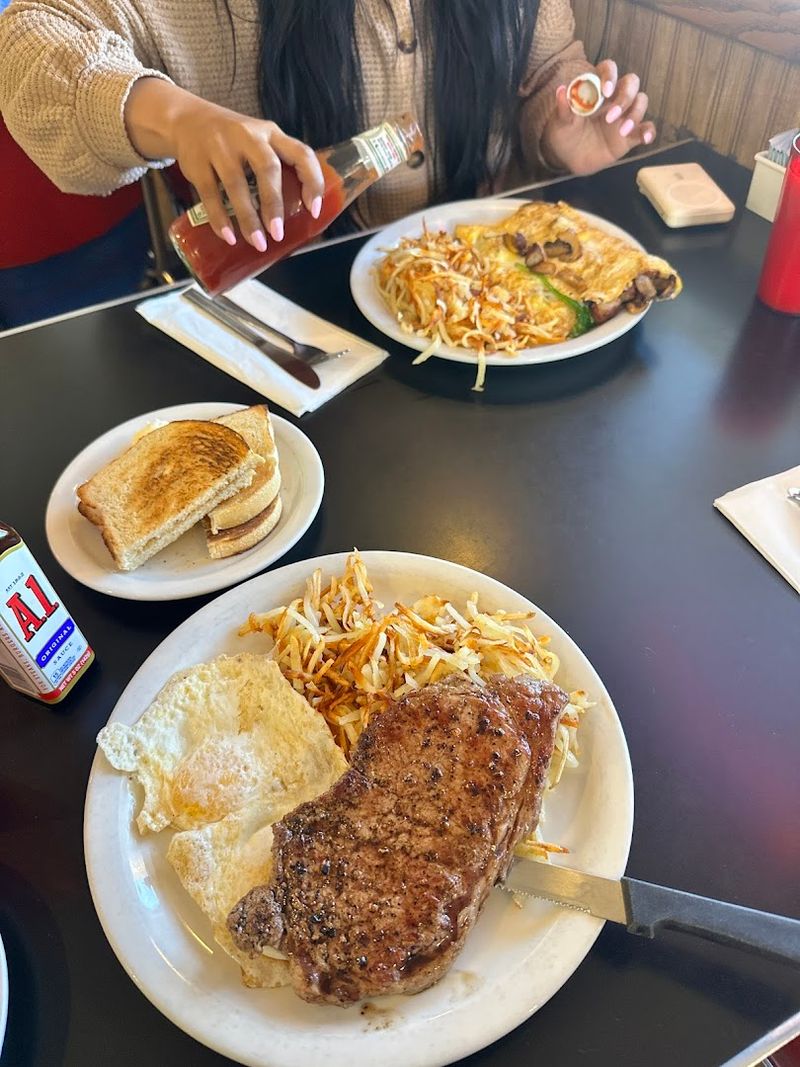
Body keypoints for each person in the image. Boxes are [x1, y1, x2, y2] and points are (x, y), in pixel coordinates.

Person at [0, 0, 655, 252]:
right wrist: (180, 117)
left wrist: (560, 133)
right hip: (302, 340)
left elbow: (548, 67)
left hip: (499, 301)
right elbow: (31, 33)